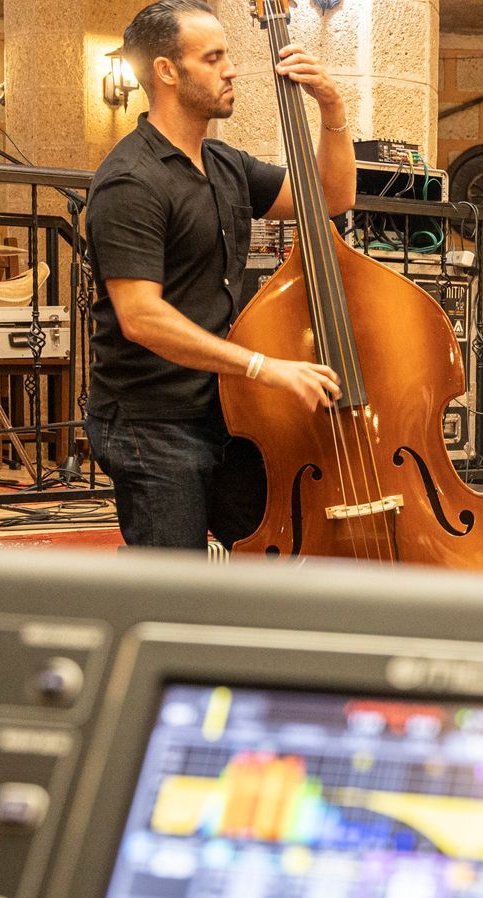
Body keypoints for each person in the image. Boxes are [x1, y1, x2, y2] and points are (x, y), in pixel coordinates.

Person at [87, 0, 354, 550]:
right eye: (213, 58)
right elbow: (140, 317)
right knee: (174, 595)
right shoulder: (129, 181)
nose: (231, 69)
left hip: (227, 415)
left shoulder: (225, 163)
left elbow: (329, 196)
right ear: (167, 71)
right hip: (152, 423)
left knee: (280, 554)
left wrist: (331, 107)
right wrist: (263, 367)